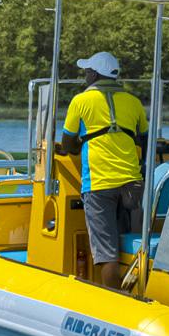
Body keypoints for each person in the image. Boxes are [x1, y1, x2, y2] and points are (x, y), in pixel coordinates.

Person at [56, 50, 148, 290]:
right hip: (133, 185)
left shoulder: (81, 101)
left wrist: (78, 146)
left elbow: (68, 144)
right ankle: (141, 292)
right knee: (132, 244)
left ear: (95, 74)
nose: (85, 75)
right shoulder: (133, 101)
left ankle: (115, 303)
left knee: (106, 253)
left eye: (87, 71)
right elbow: (144, 141)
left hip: (99, 185)